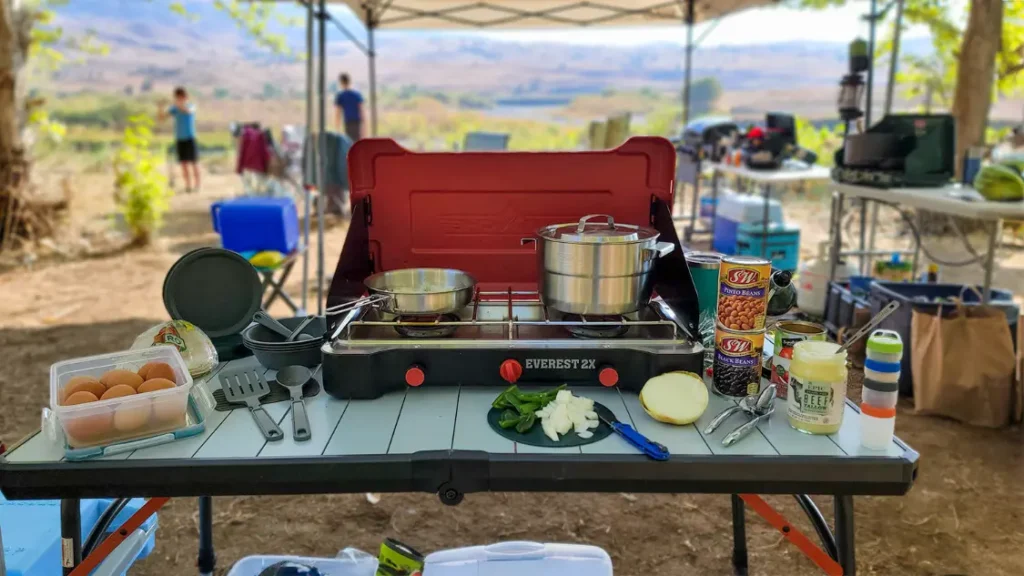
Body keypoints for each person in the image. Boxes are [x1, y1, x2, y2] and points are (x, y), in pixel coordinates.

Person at [158, 87, 201, 192]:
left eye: (181, 97)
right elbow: (162, 118)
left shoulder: (191, 106)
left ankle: (197, 185)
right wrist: (160, 107)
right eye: (178, 97)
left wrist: (177, 104)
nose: (180, 99)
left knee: (194, 163)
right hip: (179, 139)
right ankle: (188, 186)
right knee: (184, 164)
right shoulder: (174, 108)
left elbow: (187, 111)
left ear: (186, 97)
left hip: (190, 138)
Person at [334, 73, 365, 142]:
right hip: (357, 123)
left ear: (341, 83)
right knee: (357, 143)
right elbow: (362, 112)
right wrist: (364, 128)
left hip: (348, 122)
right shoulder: (357, 95)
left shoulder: (341, 96)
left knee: (349, 143)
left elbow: (338, 113)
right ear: (349, 82)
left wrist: (337, 129)